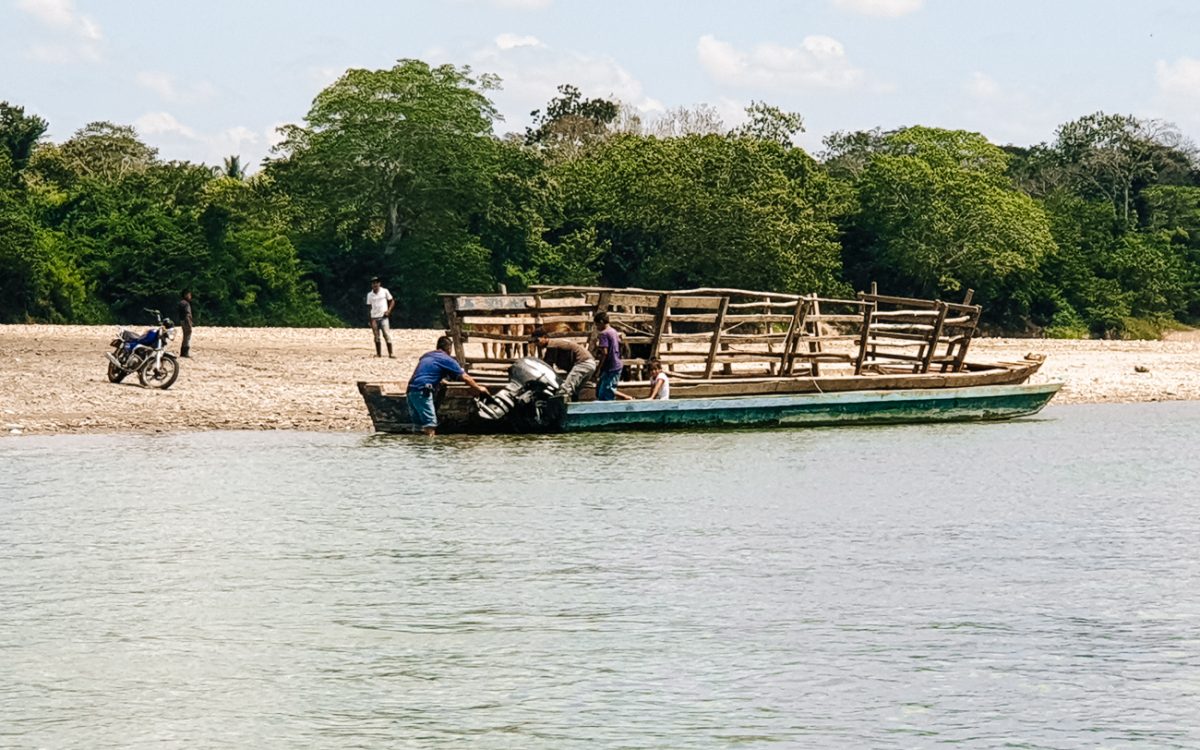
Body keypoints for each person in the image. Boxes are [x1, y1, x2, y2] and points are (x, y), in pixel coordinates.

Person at [406, 335, 489, 436]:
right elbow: (465, 377)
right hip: (423, 391)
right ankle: (429, 449)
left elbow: (428, 372)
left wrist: (440, 381)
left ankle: (417, 448)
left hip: (411, 391)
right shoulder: (446, 359)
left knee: (418, 426)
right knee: (430, 425)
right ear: (449, 348)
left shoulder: (427, 355)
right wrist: (478, 388)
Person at [530, 327, 596, 400]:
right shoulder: (555, 344)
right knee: (575, 391)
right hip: (590, 364)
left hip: (582, 363)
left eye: (537, 340)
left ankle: (561, 409)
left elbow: (547, 366)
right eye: (534, 342)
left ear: (545, 337)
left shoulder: (552, 345)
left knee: (564, 390)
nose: (536, 344)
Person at [591, 311, 624, 401]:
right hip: (616, 364)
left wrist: (599, 368)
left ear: (601, 322)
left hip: (610, 366)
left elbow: (604, 353)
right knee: (603, 390)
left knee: (605, 393)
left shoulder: (603, 334)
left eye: (597, 325)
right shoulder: (614, 331)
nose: (597, 327)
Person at [366, 276, 396, 358]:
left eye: (376, 283)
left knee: (386, 335)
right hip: (374, 318)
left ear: (379, 283)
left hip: (383, 317)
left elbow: (392, 301)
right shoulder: (369, 295)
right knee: (376, 336)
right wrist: (370, 320)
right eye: (373, 283)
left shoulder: (384, 291)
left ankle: (391, 353)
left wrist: (389, 311)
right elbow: (369, 307)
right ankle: (378, 354)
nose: (375, 284)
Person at [177, 289, 193, 357]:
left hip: (182, 320)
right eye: (189, 295)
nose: (190, 296)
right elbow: (187, 314)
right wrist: (190, 323)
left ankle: (183, 352)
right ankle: (185, 352)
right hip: (186, 321)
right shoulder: (186, 304)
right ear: (186, 295)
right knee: (187, 336)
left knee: (185, 336)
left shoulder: (181, 303)